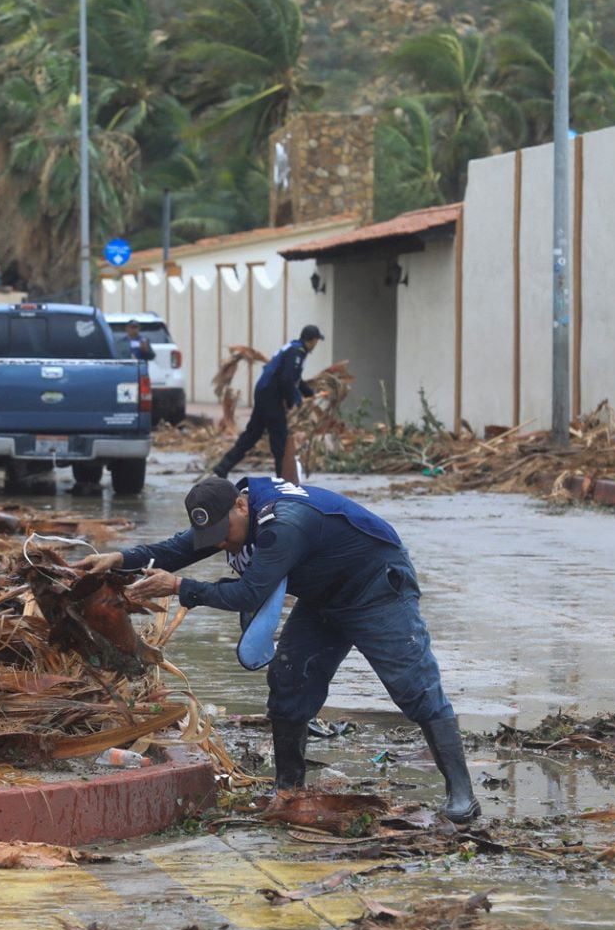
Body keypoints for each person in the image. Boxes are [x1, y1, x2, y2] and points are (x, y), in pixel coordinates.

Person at [78, 474, 480, 822]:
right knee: (289, 682)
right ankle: (289, 791)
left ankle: (462, 796)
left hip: (375, 588)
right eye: (213, 538)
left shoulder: (285, 522)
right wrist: (119, 559)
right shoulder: (234, 517)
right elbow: (181, 548)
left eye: (224, 535)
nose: (221, 546)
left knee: (413, 686)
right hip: (324, 597)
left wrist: (181, 588)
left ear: (241, 504)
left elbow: (248, 592)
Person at [212, 324, 322, 479]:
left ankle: (223, 466)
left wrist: (309, 393)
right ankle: (283, 479)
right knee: (279, 437)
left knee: (252, 434)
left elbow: (294, 379)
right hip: (271, 396)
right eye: (316, 341)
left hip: (264, 392)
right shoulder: (297, 352)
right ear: (311, 340)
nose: (315, 345)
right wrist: (293, 401)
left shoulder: (292, 348)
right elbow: (286, 380)